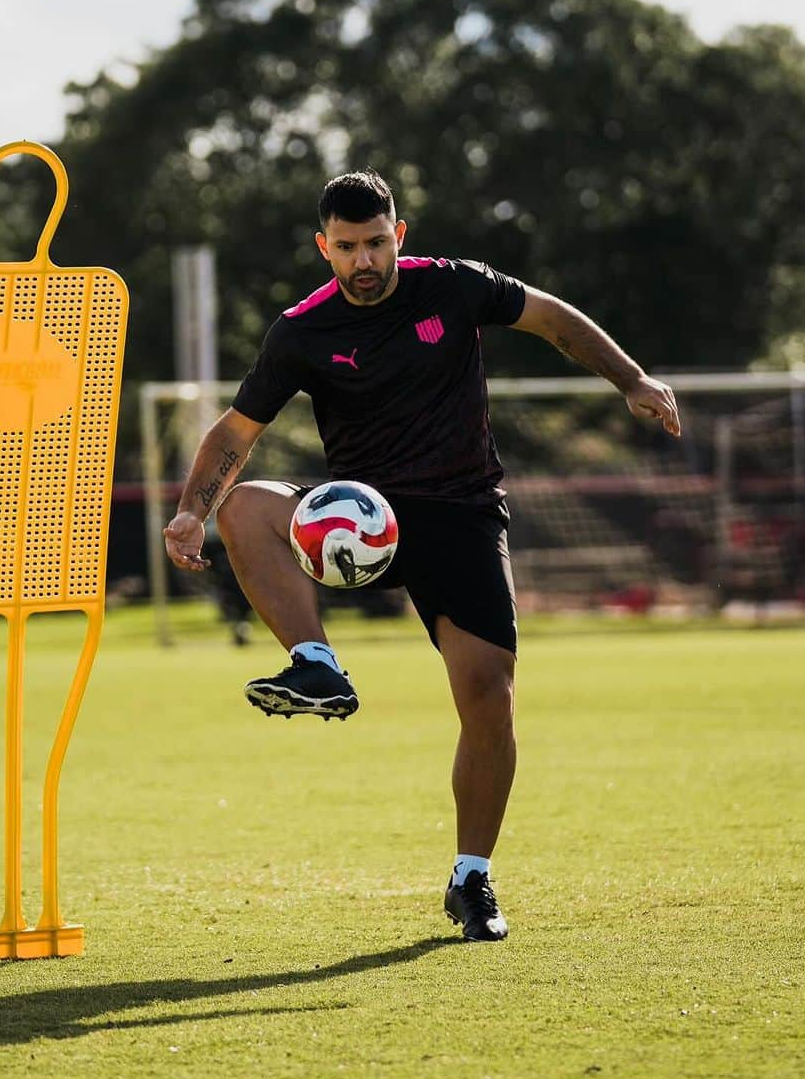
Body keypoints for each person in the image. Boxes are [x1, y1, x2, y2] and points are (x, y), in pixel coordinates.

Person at [163, 170, 680, 942]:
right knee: (243, 506)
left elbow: (553, 320)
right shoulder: (302, 330)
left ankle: (471, 877)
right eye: (347, 248)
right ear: (324, 248)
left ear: (398, 234)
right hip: (360, 515)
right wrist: (187, 512)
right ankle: (317, 664)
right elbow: (237, 433)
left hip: (461, 511)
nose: (364, 260)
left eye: (376, 243)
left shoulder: (456, 287)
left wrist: (632, 379)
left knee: (488, 692)